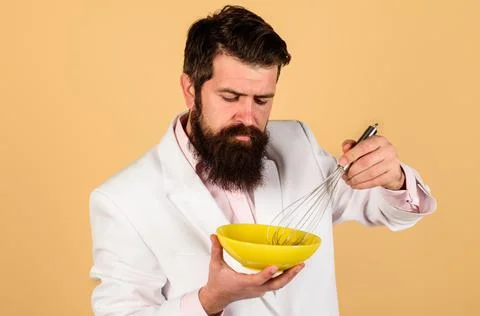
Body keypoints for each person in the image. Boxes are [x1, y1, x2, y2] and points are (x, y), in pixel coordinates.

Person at [89, 5, 436, 316]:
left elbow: (390, 211)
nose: (248, 117)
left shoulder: (298, 143)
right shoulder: (122, 201)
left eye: (262, 100)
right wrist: (209, 300)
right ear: (190, 89)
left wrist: (392, 179)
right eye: (231, 96)